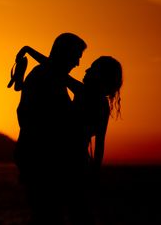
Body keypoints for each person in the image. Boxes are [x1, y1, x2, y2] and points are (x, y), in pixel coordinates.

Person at [14, 46, 123, 225]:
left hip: (68, 162)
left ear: (101, 77)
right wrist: (94, 172)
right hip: (77, 162)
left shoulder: (85, 93)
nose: (86, 69)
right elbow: (100, 145)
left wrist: (28, 50)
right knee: (77, 212)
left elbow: (53, 68)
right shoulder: (100, 102)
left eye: (93, 68)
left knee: (61, 213)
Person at [12, 33, 87, 225]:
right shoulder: (45, 77)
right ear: (65, 54)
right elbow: (29, 117)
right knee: (48, 214)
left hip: (38, 158)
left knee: (47, 214)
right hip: (43, 160)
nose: (78, 63)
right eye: (76, 56)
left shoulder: (48, 75)